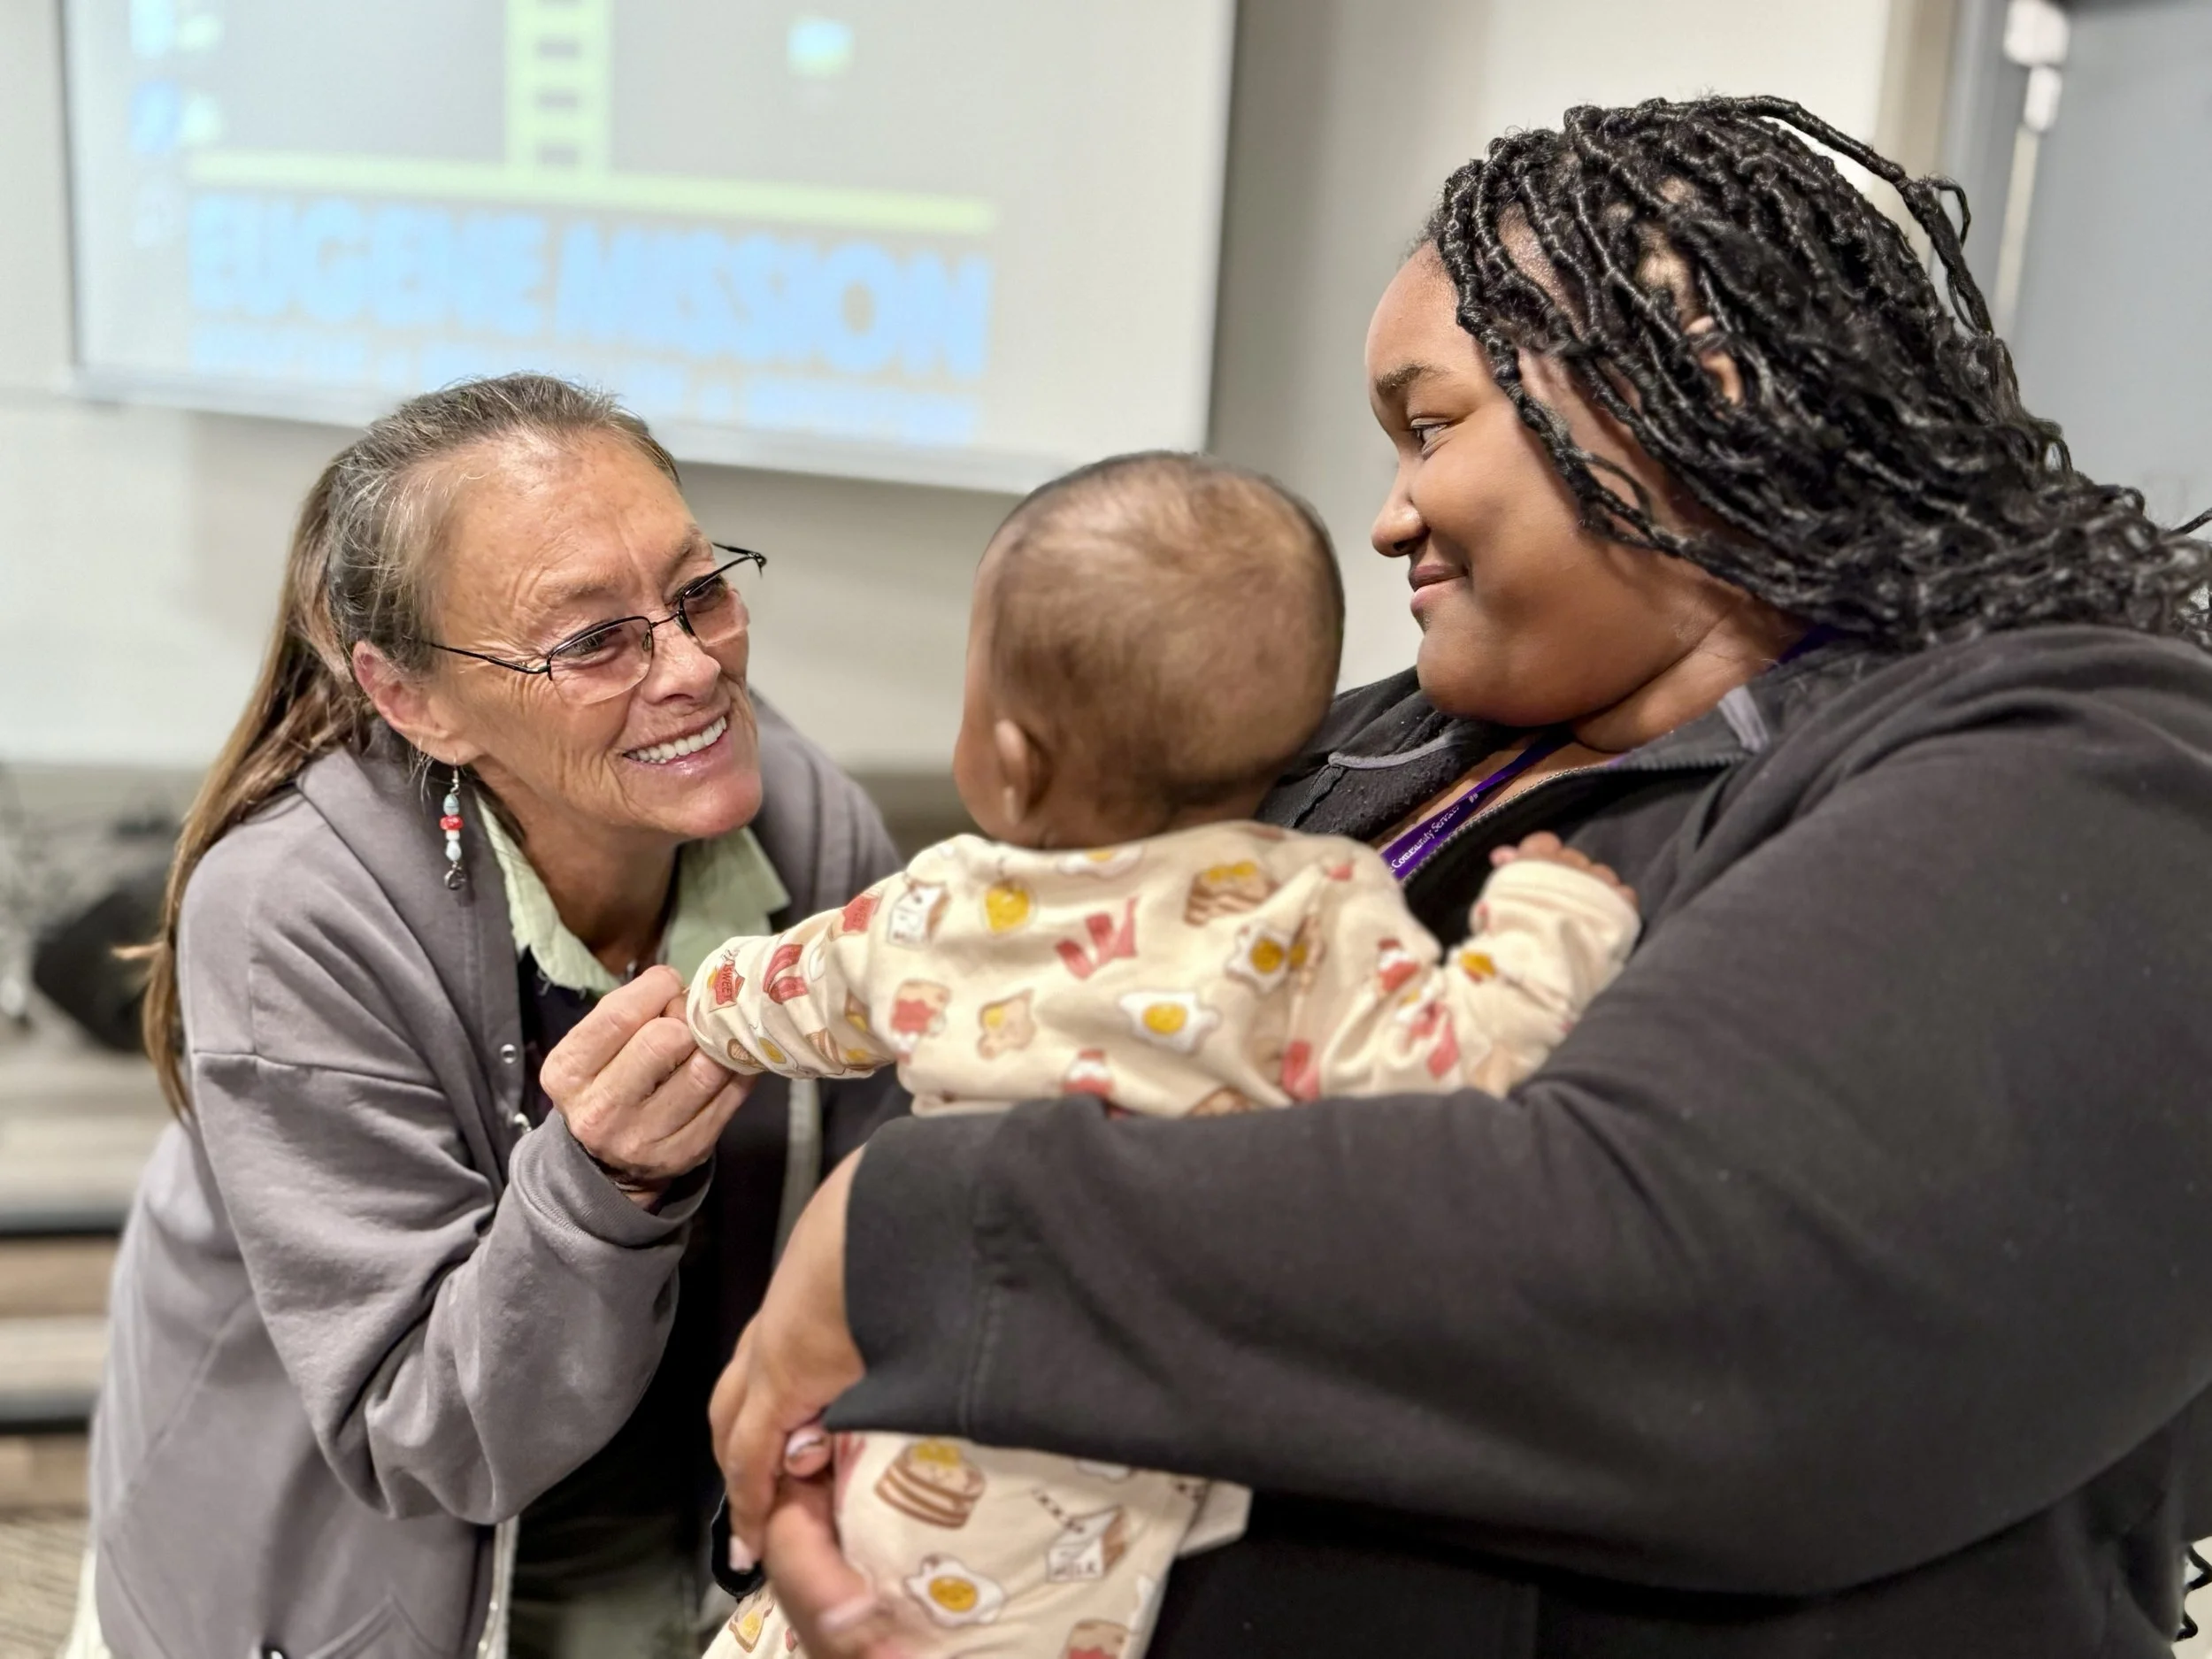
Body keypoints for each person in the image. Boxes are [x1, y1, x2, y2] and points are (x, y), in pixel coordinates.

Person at [683, 96, 2212, 1657]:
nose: (1390, 514)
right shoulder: (1376, 743)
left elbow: (1677, 1294)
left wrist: (926, 1235)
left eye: (1430, 427)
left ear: (1694, 375)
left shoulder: (2081, 763)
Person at [683, 452, 1640, 1657]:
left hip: (910, 1373)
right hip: (1123, 1440)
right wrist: (1554, 916)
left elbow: (781, 993)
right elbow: (1460, 1059)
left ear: (1013, 760)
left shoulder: (942, 903)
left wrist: (694, 1005)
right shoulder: (1318, 912)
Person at [77, 374, 906, 1659]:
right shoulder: (294, 909)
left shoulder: (808, 821)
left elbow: (878, 1240)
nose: (694, 669)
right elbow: (430, 1440)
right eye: (594, 640)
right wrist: (605, 1189)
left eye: (699, 592)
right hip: (350, 1578)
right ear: (413, 700)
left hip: (675, 1532)